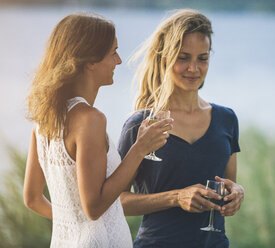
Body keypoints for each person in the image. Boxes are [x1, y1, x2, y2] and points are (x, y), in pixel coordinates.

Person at [23, 13, 172, 248]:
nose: (119, 60)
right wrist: (140, 148)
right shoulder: (90, 120)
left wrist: (72, 223)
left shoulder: (44, 119)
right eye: (113, 52)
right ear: (91, 61)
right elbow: (93, 208)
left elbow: (31, 198)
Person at [118, 9, 244, 248]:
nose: (193, 69)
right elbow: (117, 202)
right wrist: (176, 197)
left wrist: (237, 192)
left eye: (202, 58)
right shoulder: (140, 124)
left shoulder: (227, 119)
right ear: (165, 57)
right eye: (183, 57)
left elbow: (228, 185)